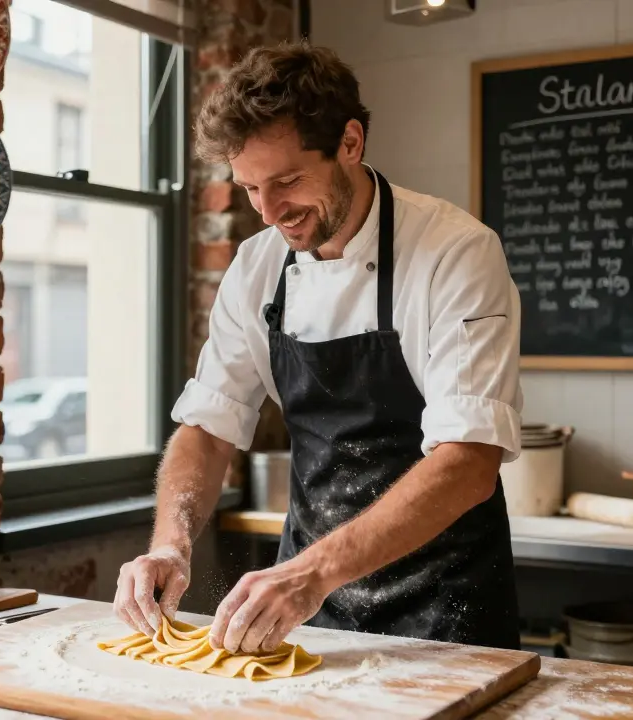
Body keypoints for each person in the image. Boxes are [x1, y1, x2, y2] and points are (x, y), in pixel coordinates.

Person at [113, 40, 523, 654]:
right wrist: (169, 542)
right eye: (250, 188)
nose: (270, 211)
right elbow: (207, 425)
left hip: (446, 606)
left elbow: (468, 463)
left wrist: (311, 573)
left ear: (350, 144)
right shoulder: (257, 267)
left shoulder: (455, 252)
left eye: (288, 181)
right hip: (306, 611)